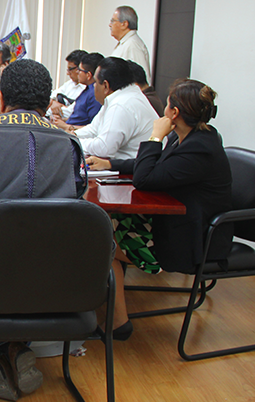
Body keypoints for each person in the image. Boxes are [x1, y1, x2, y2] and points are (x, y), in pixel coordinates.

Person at [0, 59, 86, 402]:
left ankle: (4, 347)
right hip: (52, 271)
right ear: (48, 102)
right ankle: (14, 347)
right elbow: (75, 198)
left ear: (1, 98)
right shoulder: (68, 144)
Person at [86, 79, 232, 340]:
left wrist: (155, 136)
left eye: (167, 104)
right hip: (175, 222)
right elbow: (154, 166)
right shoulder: (185, 137)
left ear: (174, 112)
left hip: (191, 239)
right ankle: (101, 304)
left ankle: (118, 323)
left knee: (101, 244)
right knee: (102, 223)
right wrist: (111, 163)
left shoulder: (199, 149)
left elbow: (146, 178)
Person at [71, 56, 157, 159]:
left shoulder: (121, 105)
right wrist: (72, 135)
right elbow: (94, 129)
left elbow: (104, 148)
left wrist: (74, 142)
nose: (94, 86)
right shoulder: (123, 95)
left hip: (131, 166)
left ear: (105, 86)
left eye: (96, 82)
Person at [53, 52, 103, 130]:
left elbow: (93, 128)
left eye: (80, 70)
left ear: (88, 75)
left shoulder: (95, 94)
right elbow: (80, 117)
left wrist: (66, 126)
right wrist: (61, 121)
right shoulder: (87, 90)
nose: (77, 72)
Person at [109, 5, 151, 80]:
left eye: (113, 21)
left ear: (124, 24)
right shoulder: (125, 43)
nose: (110, 25)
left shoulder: (133, 45)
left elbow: (142, 80)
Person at [48, 49, 87, 121]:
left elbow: (70, 112)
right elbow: (50, 97)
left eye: (70, 69)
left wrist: (54, 108)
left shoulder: (86, 89)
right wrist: (53, 103)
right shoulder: (70, 84)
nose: (68, 73)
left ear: (79, 69)